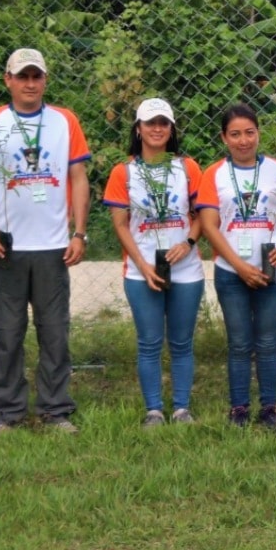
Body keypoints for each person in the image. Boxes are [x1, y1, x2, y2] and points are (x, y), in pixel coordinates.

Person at [0, 48, 91, 434]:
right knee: (8, 331)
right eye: (23, 76)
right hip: (7, 245)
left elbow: (78, 178)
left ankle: (55, 409)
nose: (30, 84)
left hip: (53, 246)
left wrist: (79, 232)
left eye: (37, 76)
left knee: (55, 332)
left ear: (45, 81)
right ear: (8, 80)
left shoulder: (64, 121)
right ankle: (8, 411)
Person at [197, 103, 276, 429]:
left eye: (249, 132)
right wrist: (239, 266)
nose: (243, 140)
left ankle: (270, 408)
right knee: (240, 343)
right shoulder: (213, 174)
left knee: (268, 342)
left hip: (272, 271)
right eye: (235, 134)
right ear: (224, 138)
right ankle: (239, 408)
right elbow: (209, 225)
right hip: (232, 273)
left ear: (258, 133)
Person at [104, 98, 206, 428]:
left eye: (164, 122)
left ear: (172, 129)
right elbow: (120, 225)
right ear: (138, 129)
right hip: (141, 269)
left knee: (181, 341)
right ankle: (153, 410)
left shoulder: (187, 168)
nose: (157, 128)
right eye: (150, 123)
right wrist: (143, 265)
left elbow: (204, 215)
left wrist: (188, 242)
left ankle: (181, 408)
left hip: (185, 268)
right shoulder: (124, 173)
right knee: (148, 342)